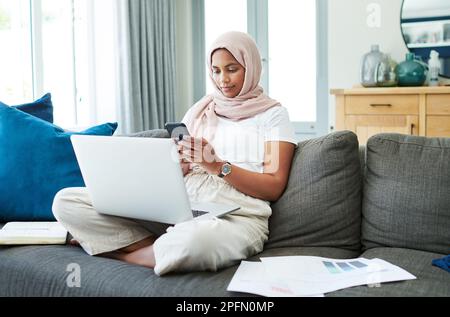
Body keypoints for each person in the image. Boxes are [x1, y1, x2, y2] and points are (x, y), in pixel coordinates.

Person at [52, 31, 297, 276]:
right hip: (180, 205)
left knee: (193, 243)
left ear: (251, 66)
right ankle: (157, 251)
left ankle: (119, 251)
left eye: (232, 69)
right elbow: (178, 165)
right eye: (216, 70)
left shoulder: (273, 115)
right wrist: (176, 166)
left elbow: (273, 186)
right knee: (66, 202)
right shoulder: (202, 109)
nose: (223, 79)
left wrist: (217, 165)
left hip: (238, 215)